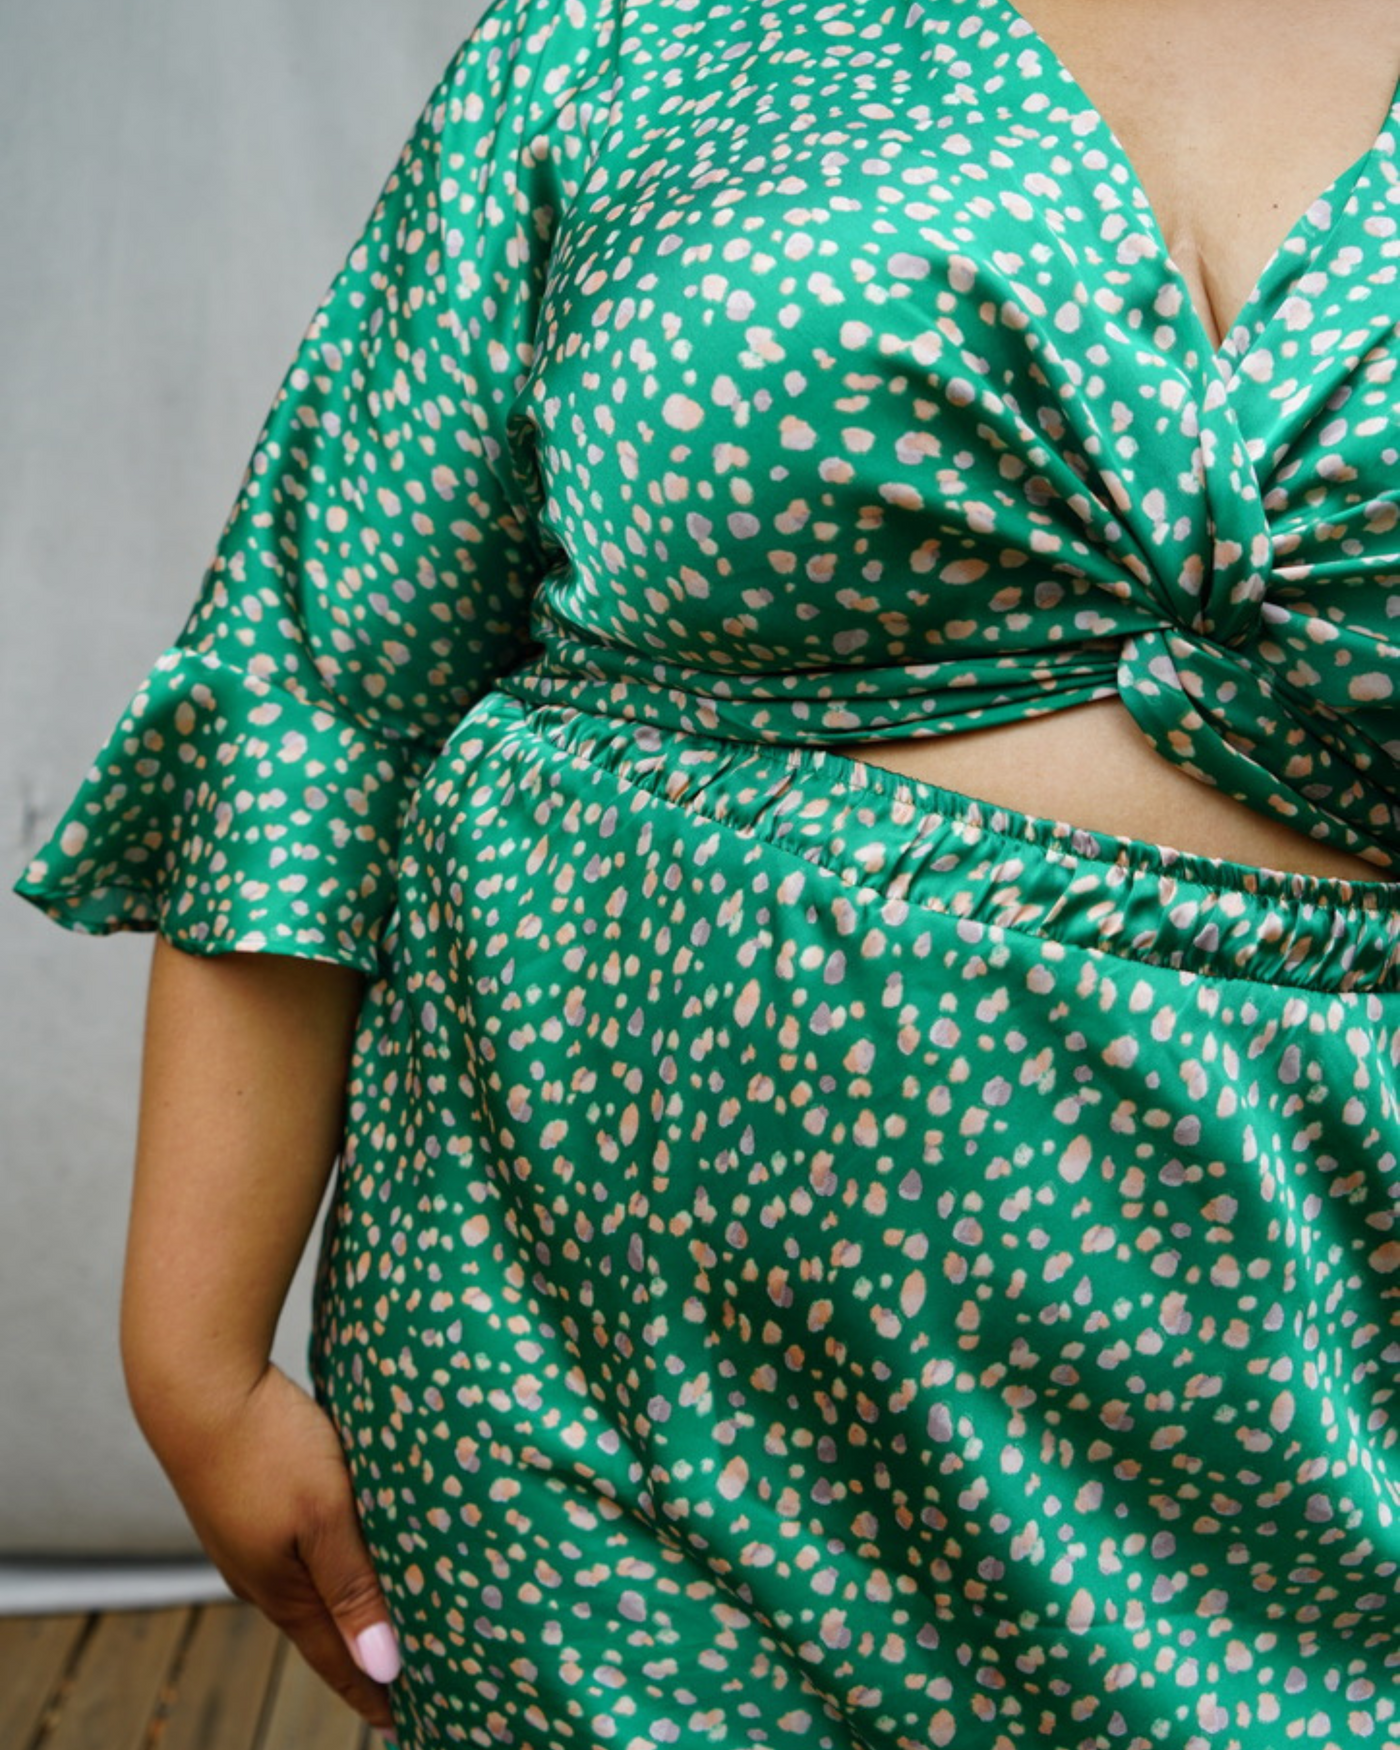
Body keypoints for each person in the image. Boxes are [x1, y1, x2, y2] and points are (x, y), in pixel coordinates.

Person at [13, 0, 1400, 1744]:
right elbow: (329, 668)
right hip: (595, 1376)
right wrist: (195, 1361)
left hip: (1308, 1391)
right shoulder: (628, 32)